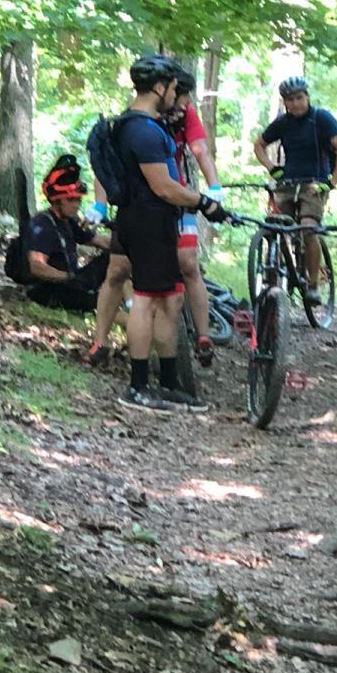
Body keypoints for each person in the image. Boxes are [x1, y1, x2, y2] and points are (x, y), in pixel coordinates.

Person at [112, 54, 231, 413]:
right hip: (148, 222)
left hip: (155, 222)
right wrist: (204, 202)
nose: (178, 97)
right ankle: (137, 387)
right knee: (146, 301)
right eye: (175, 89)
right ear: (159, 88)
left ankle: (167, 383)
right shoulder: (144, 131)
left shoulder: (140, 125)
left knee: (169, 299)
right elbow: (163, 185)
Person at [253, 76, 337, 302]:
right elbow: (259, 145)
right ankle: (274, 278)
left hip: (314, 186)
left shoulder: (321, 118)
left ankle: (313, 284)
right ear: (284, 102)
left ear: (307, 96)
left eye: (299, 98)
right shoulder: (282, 123)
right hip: (287, 184)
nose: (296, 103)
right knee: (276, 228)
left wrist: (331, 182)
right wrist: (272, 168)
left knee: (308, 229)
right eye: (290, 100)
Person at [163, 68, 223, 367]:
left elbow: (200, 151)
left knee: (188, 263)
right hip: (150, 200)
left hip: (181, 195)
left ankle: (203, 335)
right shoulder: (146, 115)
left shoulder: (187, 116)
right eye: (182, 97)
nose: (185, 104)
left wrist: (214, 188)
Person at [24, 156, 111, 313]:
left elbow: (101, 241)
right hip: (49, 289)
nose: (76, 205)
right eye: (71, 200)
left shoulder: (69, 221)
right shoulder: (41, 225)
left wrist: (128, 241)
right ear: (57, 201)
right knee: (102, 301)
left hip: (71, 280)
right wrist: (68, 277)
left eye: (78, 200)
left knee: (115, 258)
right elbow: (36, 267)